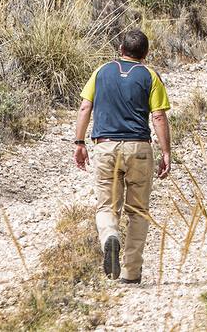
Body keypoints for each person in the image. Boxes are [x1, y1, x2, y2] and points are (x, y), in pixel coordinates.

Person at [72, 29, 172, 284]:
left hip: (106, 148)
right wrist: (166, 152)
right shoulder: (150, 76)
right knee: (138, 211)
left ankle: (109, 237)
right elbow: (158, 116)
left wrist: (79, 142)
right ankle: (131, 272)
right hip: (139, 149)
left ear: (120, 50)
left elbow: (85, 106)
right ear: (146, 54)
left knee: (107, 206)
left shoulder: (102, 71)